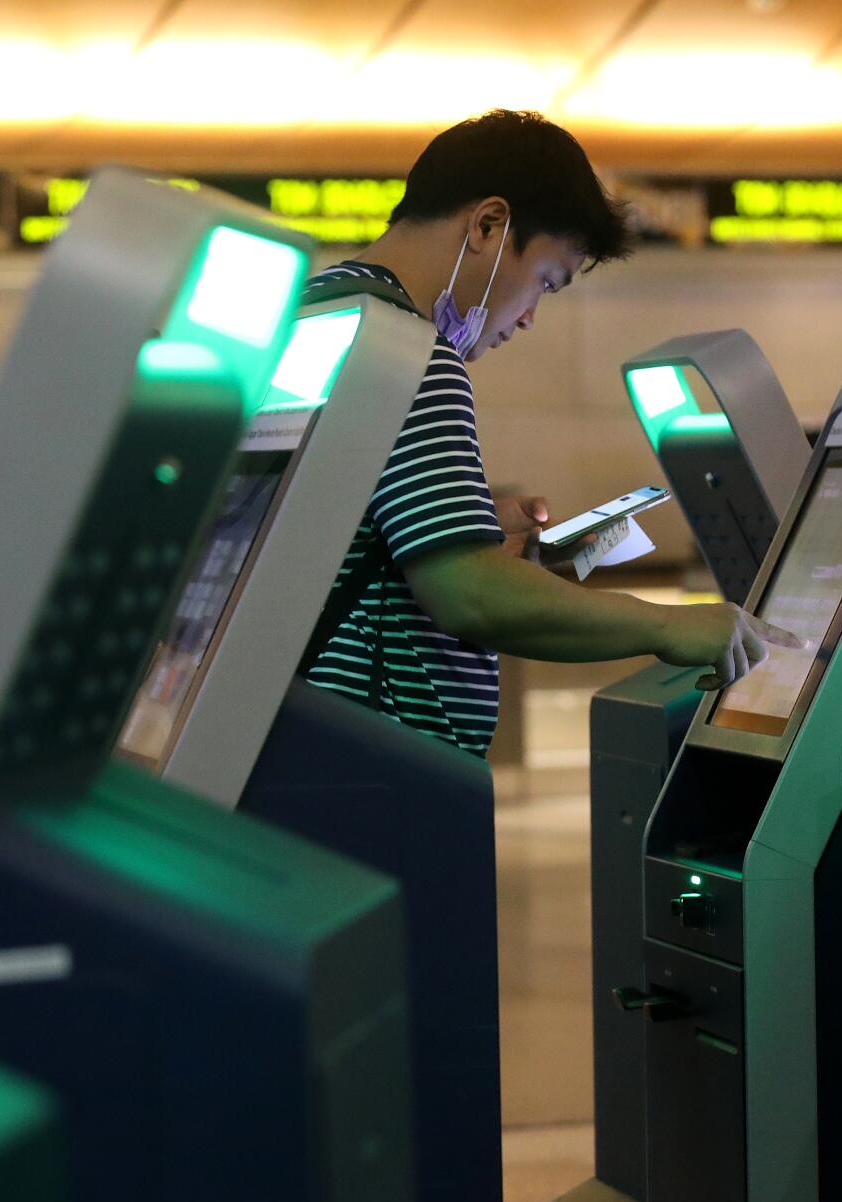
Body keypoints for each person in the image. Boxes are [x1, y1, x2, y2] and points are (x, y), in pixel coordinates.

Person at [300, 109, 797, 755]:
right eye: (545, 281)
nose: (530, 316)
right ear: (487, 224)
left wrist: (465, 523)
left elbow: (319, 533)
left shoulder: (319, 318)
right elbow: (470, 595)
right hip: (364, 758)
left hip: (285, 727)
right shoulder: (408, 355)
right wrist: (671, 625)